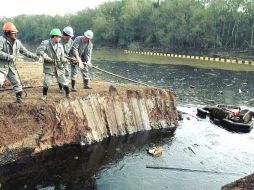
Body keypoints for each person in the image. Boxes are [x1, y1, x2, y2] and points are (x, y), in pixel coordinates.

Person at [0, 22, 39, 103]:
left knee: (17, 82)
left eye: (15, 33)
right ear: (7, 33)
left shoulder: (17, 42)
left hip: (11, 66)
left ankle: (19, 99)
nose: (15, 35)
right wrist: (9, 56)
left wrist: (35, 56)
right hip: (1, 66)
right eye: (14, 33)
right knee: (0, 80)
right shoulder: (1, 40)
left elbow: (25, 52)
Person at [36, 28, 71, 101]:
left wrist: (65, 61)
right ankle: (44, 96)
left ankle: (68, 94)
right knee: (46, 81)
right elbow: (38, 51)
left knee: (64, 81)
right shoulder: (46, 43)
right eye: (59, 37)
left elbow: (62, 58)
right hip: (49, 66)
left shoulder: (60, 46)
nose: (60, 38)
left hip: (58, 67)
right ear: (54, 36)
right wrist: (45, 56)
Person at [58, 26, 74, 92]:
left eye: (70, 36)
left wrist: (72, 58)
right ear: (65, 35)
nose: (70, 37)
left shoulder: (71, 41)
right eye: (69, 36)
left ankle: (64, 86)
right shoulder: (58, 40)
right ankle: (61, 88)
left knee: (67, 73)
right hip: (59, 60)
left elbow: (71, 51)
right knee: (60, 74)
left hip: (66, 60)